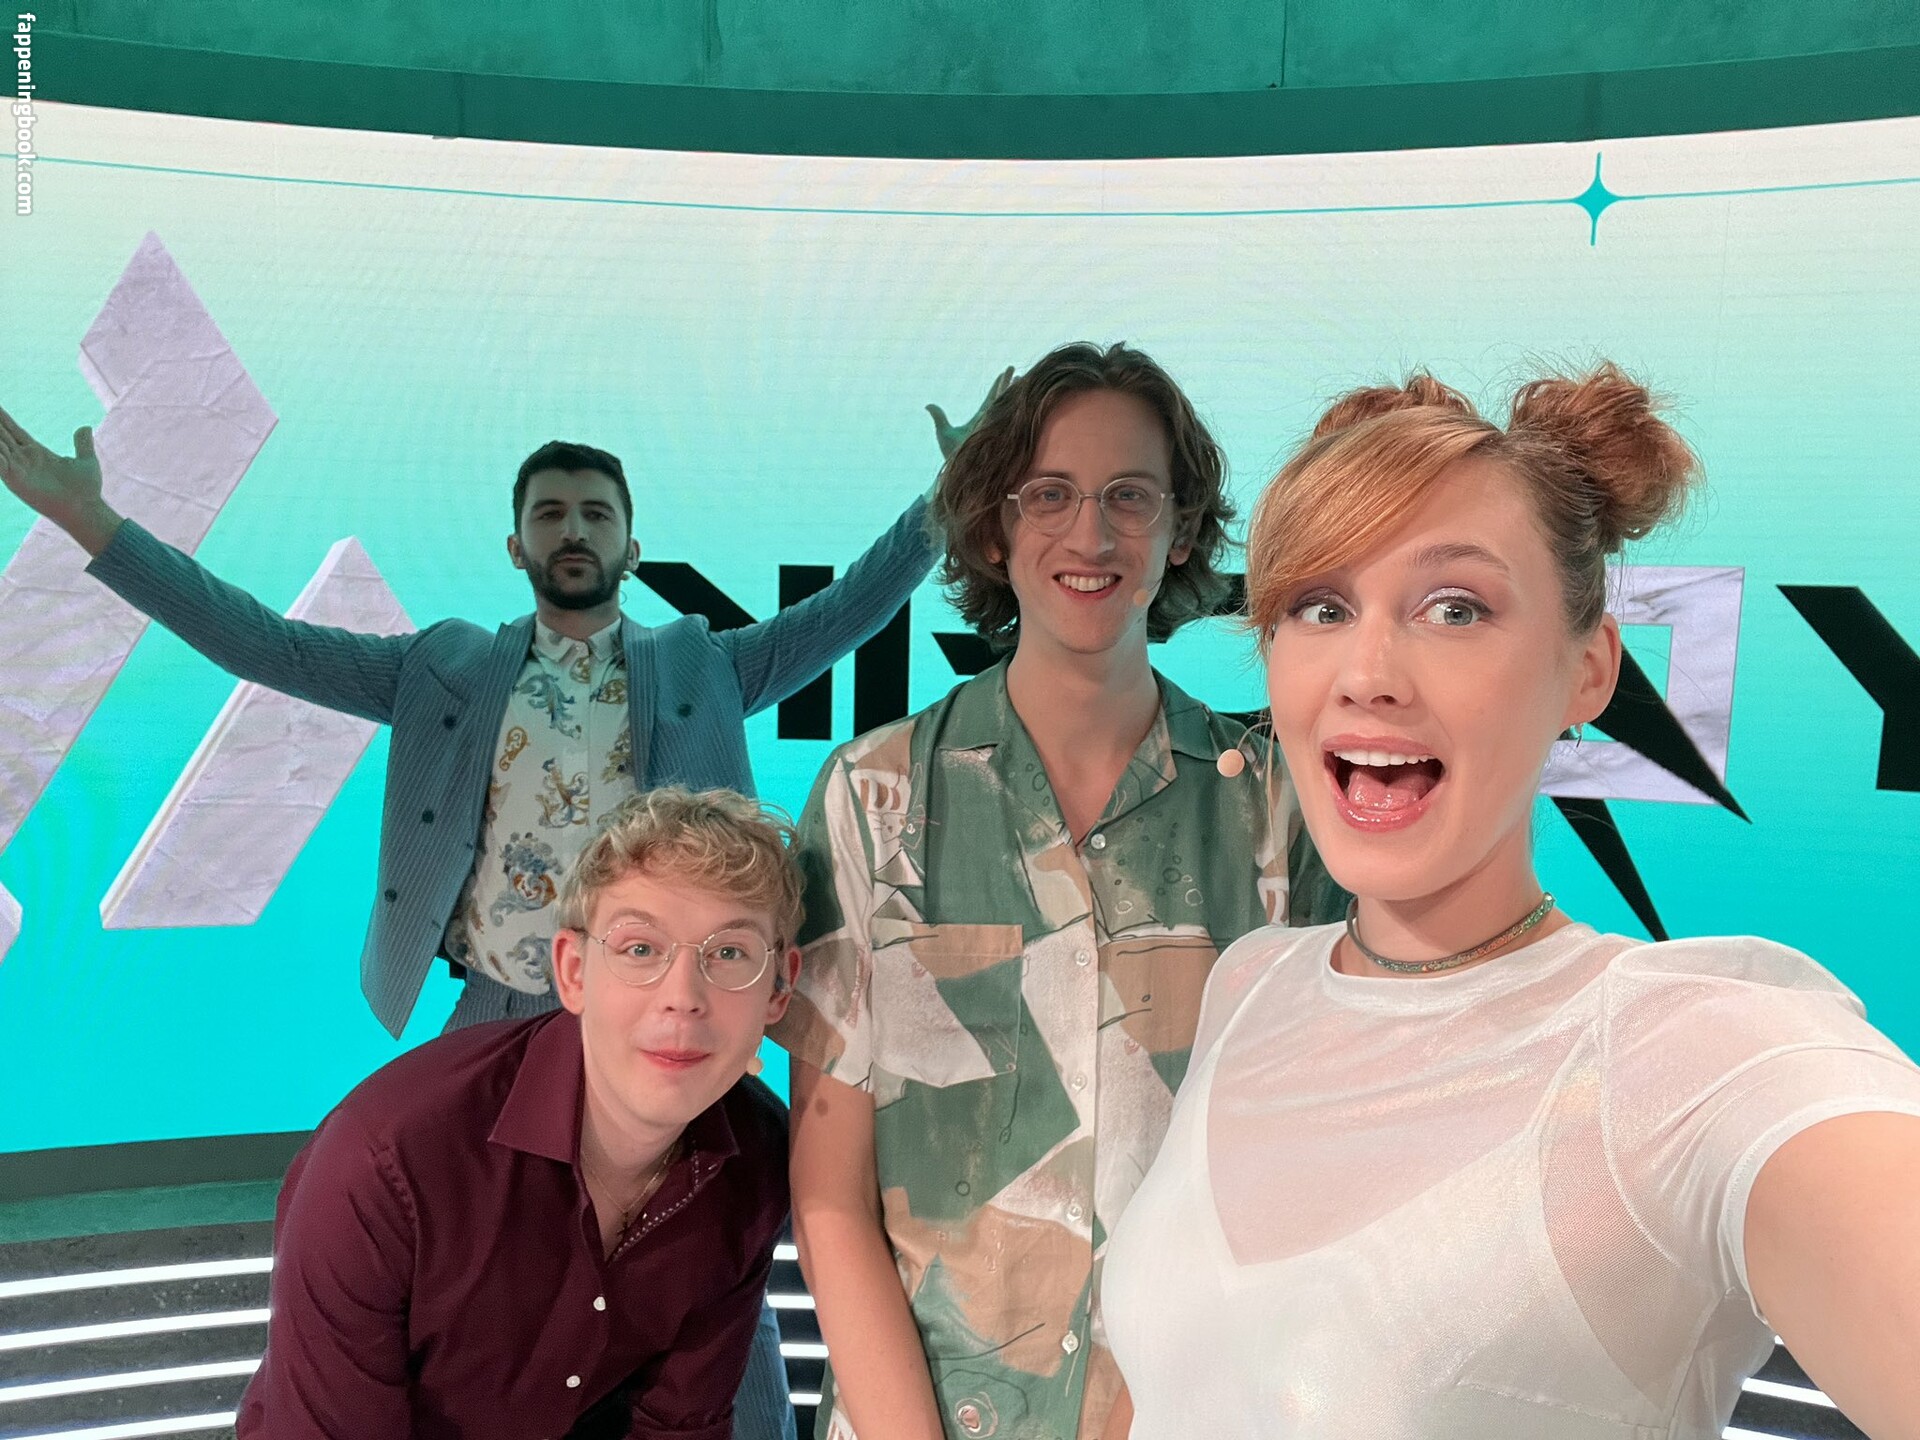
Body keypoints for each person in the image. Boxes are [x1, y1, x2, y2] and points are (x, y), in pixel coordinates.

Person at [0, 379, 998, 1440]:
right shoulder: (446, 669)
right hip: (496, 1006)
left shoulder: (699, 663)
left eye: (596, 513)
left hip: (658, 1006)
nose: (574, 530)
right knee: (485, 1274)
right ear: (516, 545)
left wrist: (947, 496)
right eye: (550, 514)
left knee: (708, 1264)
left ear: (632, 544)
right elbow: (266, 645)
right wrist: (93, 524)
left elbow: (846, 611)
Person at [1099, 366, 1920, 1439]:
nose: (1366, 672)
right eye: (1320, 607)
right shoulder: (1253, 982)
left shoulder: (1695, 1051)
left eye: (1455, 608)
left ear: (1589, 670)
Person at [776, 342, 1347, 1440]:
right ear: (994, 528)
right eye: (1050, 495)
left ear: (1183, 529)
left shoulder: (1278, 811)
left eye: (1130, 496)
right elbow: (831, 1198)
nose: (1090, 536)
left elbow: (1307, 1179)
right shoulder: (871, 796)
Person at [235, 786, 802, 1440]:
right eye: (640, 949)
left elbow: (679, 1426)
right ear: (573, 971)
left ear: (779, 988)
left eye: (729, 953)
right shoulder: (386, 1159)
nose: (683, 996)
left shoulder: (759, 1156)